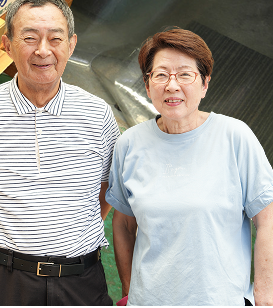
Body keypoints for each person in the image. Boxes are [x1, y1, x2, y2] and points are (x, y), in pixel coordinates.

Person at [0, 0, 120, 306]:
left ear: (71, 45)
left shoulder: (98, 115)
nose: (43, 50)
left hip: (82, 278)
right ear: (7, 44)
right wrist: (8, 244)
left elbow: (106, 191)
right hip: (6, 281)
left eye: (55, 38)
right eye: (29, 38)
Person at [106, 28, 273, 305]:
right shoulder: (130, 144)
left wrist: (265, 298)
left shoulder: (234, 137)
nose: (172, 86)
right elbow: (123, 224)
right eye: (161, 75)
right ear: (148, 86)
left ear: (205, 84)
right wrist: (129, 291)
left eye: (185, 74)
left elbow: (267, 221)